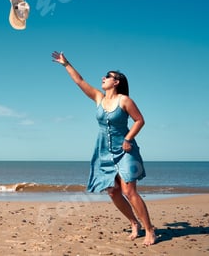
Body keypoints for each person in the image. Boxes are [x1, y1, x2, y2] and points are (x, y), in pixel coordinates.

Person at [51, 51, 156, 246]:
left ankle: (150, 230)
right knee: (112, 191)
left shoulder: (124, 100)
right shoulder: (99, 98)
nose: (103, 78)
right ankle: (134, 223)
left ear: (116, 82)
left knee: (128, 191)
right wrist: (66, 64)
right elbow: (80, 82)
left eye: (108, 76)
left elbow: (140, 120)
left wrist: (128, 138)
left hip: (125, 150)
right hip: (104, 152)